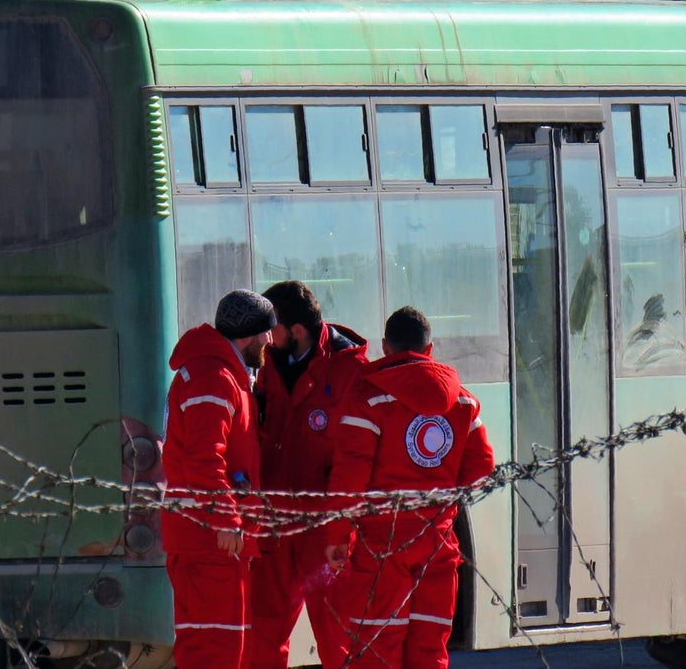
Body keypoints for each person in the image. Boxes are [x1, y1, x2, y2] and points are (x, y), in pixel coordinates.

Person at [324, 306, 496, 669]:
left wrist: (337, 536)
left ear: (386, 347)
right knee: (429, 650)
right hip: (438, 540)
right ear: (429, 349)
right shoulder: (464, 401)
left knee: (376, 650)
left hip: (381, 545)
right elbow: (481, 468)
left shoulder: (368, 399)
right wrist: (439, 497)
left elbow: (349, 478)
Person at [249, 280, 368, 669]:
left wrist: (342, 528)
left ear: (297, 330)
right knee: (262, 634)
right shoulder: (268, 364)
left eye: (273, 328)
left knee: (338, 635)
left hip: (325, 525)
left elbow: (359, 456)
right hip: (274, 519)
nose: (266, 336)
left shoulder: (350, 370)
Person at [161, 289, 276, 669]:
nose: (270, 340)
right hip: (208, 540)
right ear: (248, 336)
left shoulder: (224, 375)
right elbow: (204, 458)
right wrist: (226, 519)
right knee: (215, 650)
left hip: (216, 540)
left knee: (230, 648)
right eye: (265, 332)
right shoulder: (214, 378)